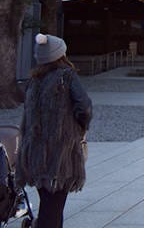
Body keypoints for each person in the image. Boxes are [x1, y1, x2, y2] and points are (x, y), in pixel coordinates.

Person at [17, 34, 92, 228]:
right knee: (54, 207)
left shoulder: (34, 81)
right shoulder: (66, 76)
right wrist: (80, 127)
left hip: (34, 153)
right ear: (60, 55)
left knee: (49, 205)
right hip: (60, 154)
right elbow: (84, 107)